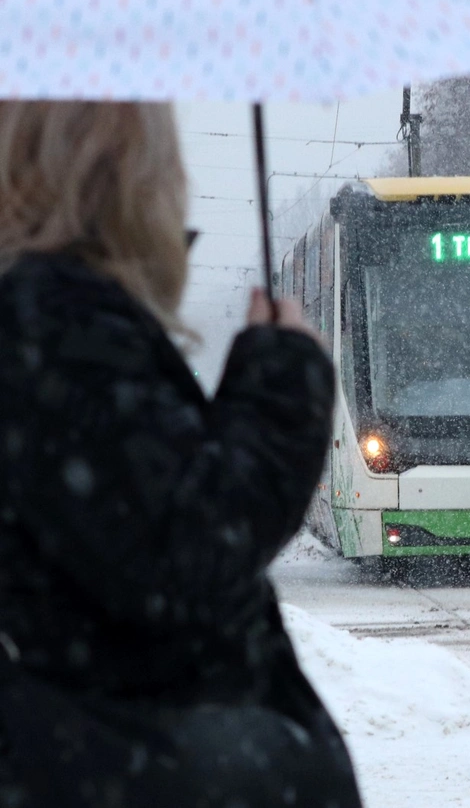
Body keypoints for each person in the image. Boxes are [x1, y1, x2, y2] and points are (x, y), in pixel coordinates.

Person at [0, 101, 362, 807]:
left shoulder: (48, 320)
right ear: (122, 176)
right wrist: (282, 385)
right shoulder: (58, 325)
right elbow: (187, 552)